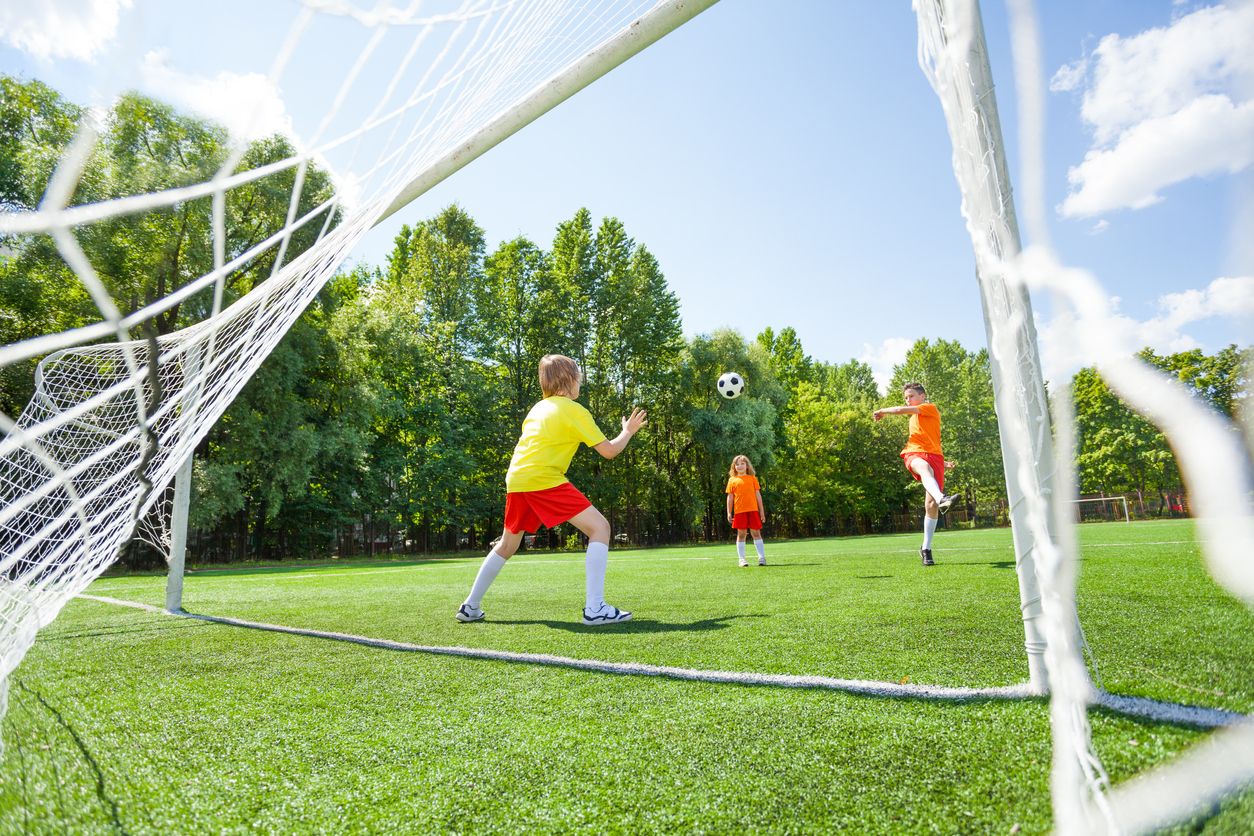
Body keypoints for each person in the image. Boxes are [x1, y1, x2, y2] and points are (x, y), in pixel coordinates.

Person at [455, 354, 647, 625]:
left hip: (517, 479)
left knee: (507, 544)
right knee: (600, 528)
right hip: (543, 479)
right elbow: (610, 451)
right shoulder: (574, 409)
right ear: (569, 379)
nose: (581, 381)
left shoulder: (537, 408)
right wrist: (628, 430)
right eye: (579, 376)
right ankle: (595, 609)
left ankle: (470, 606)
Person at [873, 382, 957, 566]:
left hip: (935, 457)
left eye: (911, 396)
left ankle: (925, 548)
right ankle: (943, 498)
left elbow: (930, 442)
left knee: (931, 505)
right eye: (906, 398)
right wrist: (883, 410)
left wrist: (942, 464)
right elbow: (921, 443)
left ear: (923, 396)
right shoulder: (914, 416)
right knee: (924, 468)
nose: (908, 400)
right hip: (914, 454)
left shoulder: (929, 408)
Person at [725, 455, 767, 567]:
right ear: (734, 467)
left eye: (742, 463)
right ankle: (742, 559)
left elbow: (758, 496)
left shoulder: (753, 479)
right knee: (741, 534)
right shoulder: (732, 480)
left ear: (747, 466)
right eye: (737, 464)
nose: (740, 466)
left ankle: (762, 558)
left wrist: (761, 512)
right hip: (739, 512)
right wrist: (729, 512)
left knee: (756, 533)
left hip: (753, 511)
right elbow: (730, 497)